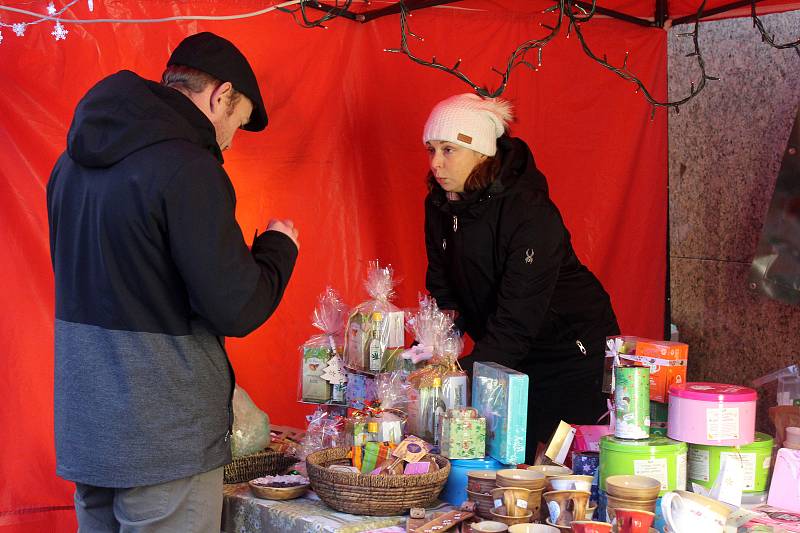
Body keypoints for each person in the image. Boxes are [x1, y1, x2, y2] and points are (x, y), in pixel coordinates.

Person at [47, 32, 299, 532]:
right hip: (162, 439)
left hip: (87, 424)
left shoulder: (69, 164)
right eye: (236, 123)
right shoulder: (188, 167)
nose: (228, 142)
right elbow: (238, 306)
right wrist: (278, 247)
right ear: (220, 96)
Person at [422, 93, 620, 461]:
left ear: (481, 152)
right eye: (431, 149)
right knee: (500, 462)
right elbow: (443, 289)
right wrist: (435, 351)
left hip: (568, 355)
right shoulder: (439, 205)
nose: (436, 163)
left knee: (548, 470)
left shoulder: (529, 212)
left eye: (448, 150)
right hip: (504, 356)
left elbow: (518, 319)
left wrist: (460, 377)